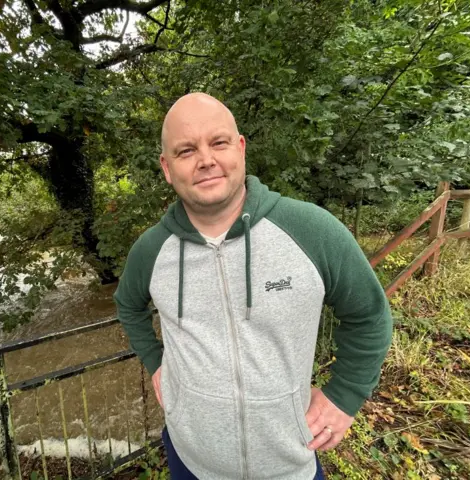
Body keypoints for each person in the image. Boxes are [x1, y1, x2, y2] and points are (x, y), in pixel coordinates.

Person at [114, 93, 393, 480]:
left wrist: (344, 395)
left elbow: (369, 314)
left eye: (219, 142)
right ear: (166, 167)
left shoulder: (312, 231)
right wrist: (156, 361)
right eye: (186, 150)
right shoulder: (151, 251)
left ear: (240, 148)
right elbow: (127, 305)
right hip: (190, 463)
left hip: (289, 465)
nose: (206, 160)